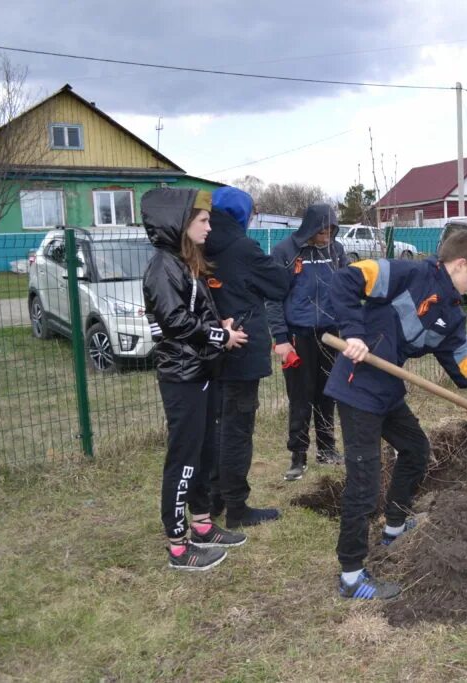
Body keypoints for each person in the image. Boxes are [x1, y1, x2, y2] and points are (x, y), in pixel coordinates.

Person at [327, 229, 467, 599]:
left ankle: (395, 527)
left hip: (386, 391)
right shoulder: (407, 274)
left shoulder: (450, 317)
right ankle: (352, 575)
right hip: (357, 388)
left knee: (416, 450)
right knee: (364, 483)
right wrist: (353, 332)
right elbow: (346, 279)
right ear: (460, 264)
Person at [142, 187, 249, 571]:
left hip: (201, 371)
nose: (209, 227)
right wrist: (222, 336)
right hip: (182, 377)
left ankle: (203, 525)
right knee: (184, 459)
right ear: (180, 224)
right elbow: (173, 323)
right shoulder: (162, 266)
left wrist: (216, 324)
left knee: (205, 454)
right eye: (202, 221)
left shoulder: (185, 263)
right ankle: (177, 544)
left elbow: (194, 315)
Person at [205, 187, 291, 528]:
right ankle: (237, 507)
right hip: (241, 346)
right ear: (242, 214)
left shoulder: (199, 243)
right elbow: (279, 284)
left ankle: (212, 500)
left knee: (215, 426)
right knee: (237, 430)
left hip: (211, 346)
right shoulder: (242, 247)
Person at [266, 204, 349, 481]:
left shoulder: (336, 252)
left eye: (331, 231)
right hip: (297, 335)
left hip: (330, 333)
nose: (327, 236)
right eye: (322, 231)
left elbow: (347, 285)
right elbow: (273, 297)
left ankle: (327, 449)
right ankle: (298, 456)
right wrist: (280, 337)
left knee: (328, 393)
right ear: (310, 228)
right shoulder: (285, 252)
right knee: (300, 397)